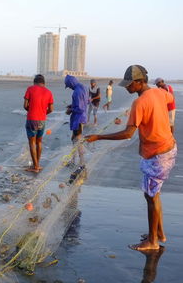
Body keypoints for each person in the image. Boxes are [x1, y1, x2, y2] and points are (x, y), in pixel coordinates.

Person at [85, 65, 176, 251]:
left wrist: (99, 137)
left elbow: (128, 134)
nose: (126, 87)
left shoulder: (139, 103)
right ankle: (159, 233)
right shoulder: (159, 92)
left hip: (157, 153)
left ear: (139, 82)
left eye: (129, 84)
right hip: (169, 149)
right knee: (153, 194)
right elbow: (170, 97)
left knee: (151, 196)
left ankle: (152, 241)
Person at [23, 74, 54, 172]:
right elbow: (51, 109)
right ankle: (38, 164)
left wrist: (31, 110)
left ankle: (35, 166)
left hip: (32, 119)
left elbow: (25, 105)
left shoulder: (30, 89)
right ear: (43, 83)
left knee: (32, 142)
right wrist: (43, 113)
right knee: (39, 142)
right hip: (42, 120)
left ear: (34, 82)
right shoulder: (49, 92)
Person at [64, 75, 88, 166]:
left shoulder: (76, 92)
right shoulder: (83, 87)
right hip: (82, 117)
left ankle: (82, 163)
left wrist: (70, 110)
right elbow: (85, 102)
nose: (69, 87)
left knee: (77, 140)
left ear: (71, 83)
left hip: (78, 118)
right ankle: (73, 160)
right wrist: (72, 105)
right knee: (74, 139)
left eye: (69, 85)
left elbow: (80, 108)